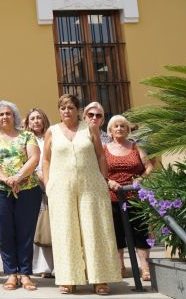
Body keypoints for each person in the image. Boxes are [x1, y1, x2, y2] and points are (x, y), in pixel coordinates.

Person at [43, 94, 120, 295]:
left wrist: (103, 180)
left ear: (78, 110)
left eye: (70, 107)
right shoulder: (52, 132)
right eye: (62, 108)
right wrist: (48, 183)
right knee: (66, 231)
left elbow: (101, 155)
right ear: (58, 111)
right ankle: (69, 278)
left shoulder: (90, 128)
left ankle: (100, 278)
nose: (66, 111)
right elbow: (46, 160)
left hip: (91, 184)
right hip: (61, 187)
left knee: (95, 229)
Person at [0, 101, 42, 291]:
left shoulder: (27, 136)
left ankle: (25, 274)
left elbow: (34, 158)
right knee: (3, 232)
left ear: (14, 116)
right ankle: (11, 274)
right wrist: (7, 179)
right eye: (1, 114)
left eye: (8, 113)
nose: (5, 117)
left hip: (27, 189)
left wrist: (17, 177)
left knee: (25, 232)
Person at [105, 115, 153, 281]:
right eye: (116, 126)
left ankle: (145, 268)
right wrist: (109, 182)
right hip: (112, 196)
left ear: (127, 129)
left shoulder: (135, 147)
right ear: (110, 131)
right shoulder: (104, 149)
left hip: (134, 196)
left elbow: (149, 166)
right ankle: (120, 267)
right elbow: (99, 171)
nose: (119, 129)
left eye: (122, 126)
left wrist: (140, 179)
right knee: (116, 233)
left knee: (140, 232)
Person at [24, 108, 54, 278]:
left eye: (39, 118)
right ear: (28, 123)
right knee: (38, 227)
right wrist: (40, 176)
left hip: (51, 184)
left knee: (52, 226)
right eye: (32, 119)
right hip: (34, 185)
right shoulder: (26, 139)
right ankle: (41, 267)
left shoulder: (52, 136)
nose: (36, 121)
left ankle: (56, 266)